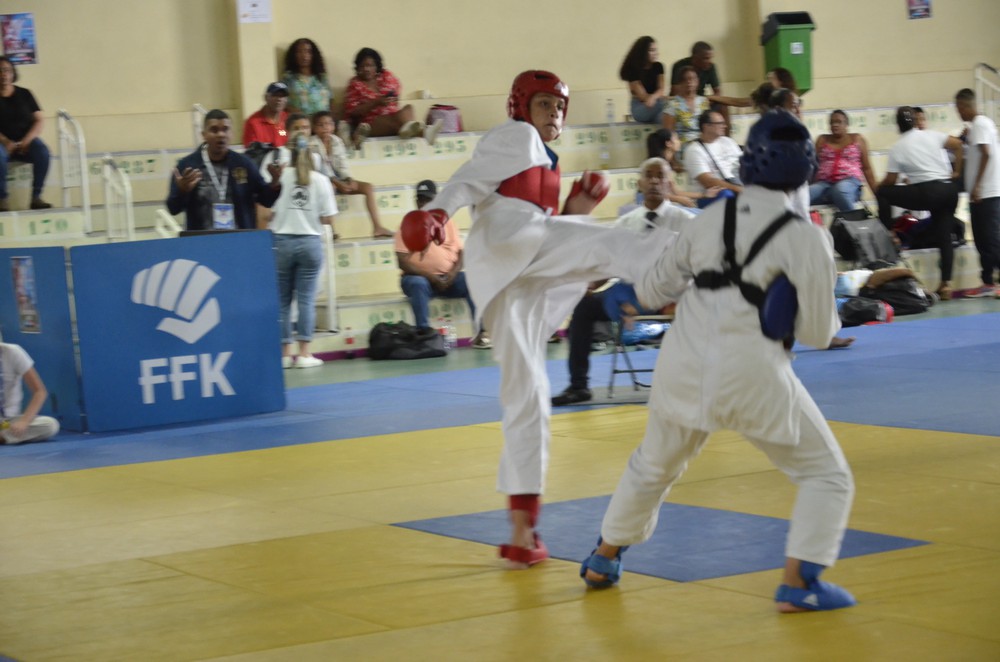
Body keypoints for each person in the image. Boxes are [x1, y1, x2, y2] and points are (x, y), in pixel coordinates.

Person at [580, 109, 857, 615]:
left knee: (653, 465)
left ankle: (603, 558)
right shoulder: (807, 237)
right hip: (754, 372)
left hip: (683, 363)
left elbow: (651, 291)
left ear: (748, 161)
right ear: (806, 170)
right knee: (826, 474)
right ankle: (799, 583)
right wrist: (786, 303)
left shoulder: (706, 220)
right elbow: (819, 335)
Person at [398, 70, 675, 569]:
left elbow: (545, 219)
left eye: (559, 107)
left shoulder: (543, 155)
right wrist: (437, 212)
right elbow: (470, 177)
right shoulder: (516, 135)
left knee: (527, 397)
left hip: (517, 277)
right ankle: (696, 261)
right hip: (515, 248)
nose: (554, 114)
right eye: (545, 104)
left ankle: (522, 531)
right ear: (521, 106)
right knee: (614, 243)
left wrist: (577, 205)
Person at [552, 157, 694, 406]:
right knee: (583, 307)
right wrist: (588, 286)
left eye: (660, 176)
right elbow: (608, 263)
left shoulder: (686, 222)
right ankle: (578, 386)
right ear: (639, 183)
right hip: (630, 297)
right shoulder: (626, 222)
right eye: (649, 176)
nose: (654, 181)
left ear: (670, 183)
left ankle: (693, 381)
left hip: (672, 297)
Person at [875, 106, 963, 299]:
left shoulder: (898, 147)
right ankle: (946, 285)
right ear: (915, 122)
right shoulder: (932, 135)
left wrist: (878, 186)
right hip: (948, 190)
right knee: (944, 236)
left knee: (883, 192)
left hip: (927, 192)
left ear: (898, 126)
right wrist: (957, 171)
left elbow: (890, 181)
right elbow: (958, 145)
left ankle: (890, 233)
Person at [395, 180, 490, 349]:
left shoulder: (448, 222)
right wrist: (431, 277)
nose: (424, 203)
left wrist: (452, 274)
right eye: (421, 199)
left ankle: (481, 332)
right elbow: (402, 262)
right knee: (417, 283)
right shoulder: (408, 224)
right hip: (418, 278)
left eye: (428, 200)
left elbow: (461, 253)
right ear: (416, 202)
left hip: (448, 278)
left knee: (472, 280)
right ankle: (424, 335)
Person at [271, 131, 338, 369]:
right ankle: (304, 353)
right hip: (310, 242)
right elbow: (329, 218)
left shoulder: (280, 177)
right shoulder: (320, 180)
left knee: (282, 301)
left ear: (288, 151)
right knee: (306, 300)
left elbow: (269, 209)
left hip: (282, 242)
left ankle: (284, 354)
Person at [167, 109, 283, 231]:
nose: (221, 134)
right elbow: (173, 209)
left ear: (231, 134)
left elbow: (266, 201)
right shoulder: (188, 166)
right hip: (202, 239)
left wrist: (274, 183)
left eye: (225, 129)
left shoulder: (244, 163)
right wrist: (182, 191)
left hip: (239, 238)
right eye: (214, 130)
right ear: (204, 135)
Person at [310, 110, 393, 238]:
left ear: (333, 126)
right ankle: (330, 230)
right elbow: (322, 169)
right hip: (322, 181)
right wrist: (337, 182)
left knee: (368, 187)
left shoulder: (336, 141)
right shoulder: (312, 144)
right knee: (330, 187)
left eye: (328, 124)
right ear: (314, 128)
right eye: (320, 125)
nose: (325, 127)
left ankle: (378, 227)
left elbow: (342, 163)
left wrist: (349, 179)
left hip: (339, 179)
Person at [342, 47, 442, 149]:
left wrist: (391, 99)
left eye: (370, 65)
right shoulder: (355, 84)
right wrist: (376, 102)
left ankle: (409, 129)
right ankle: (423, 132)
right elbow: (352, 112)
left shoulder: (386, 76)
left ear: (377, 66)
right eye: (362, 66)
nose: (366, 69)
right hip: (371, 123)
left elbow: (396, 92)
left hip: (394, 116)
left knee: (408, 108)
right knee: (397, 120)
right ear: (358, 67)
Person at [955, 88, 1000, 298]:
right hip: (982, 192)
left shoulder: (980, 124)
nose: (958, 113)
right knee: (983, 238)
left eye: (958, 108)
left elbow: (986, 154)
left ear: (965, 106)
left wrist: (978, 185)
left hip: (986, 191)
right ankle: (988, 281)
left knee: (989, 238)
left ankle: (991, 281)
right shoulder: (978, 126)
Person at [0, 56, 51, 211]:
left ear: (13, 73)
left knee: (42, 152)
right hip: (2, 144)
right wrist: (5, 141)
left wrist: (26, 141)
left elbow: (39, 120)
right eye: (0, 71)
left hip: (26, 143)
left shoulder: (25, 94)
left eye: (6, 70)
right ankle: (2, 199)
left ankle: (36, 197)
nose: (3, 74)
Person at [809, 110, 878, 212]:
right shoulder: (822, 140)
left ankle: (852, 219)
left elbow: (867, 169)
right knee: (804, 195)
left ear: (846, 125)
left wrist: (878, 196)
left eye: (839, 122)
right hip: (825, 185)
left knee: (839, 190)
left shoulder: (857, 139)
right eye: (832, 122)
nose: (835, 125)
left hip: (850, 184)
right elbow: (813, 167)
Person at [1, 340, 59, 444]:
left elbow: (40, 391)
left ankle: (4, 436)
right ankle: (6, 437)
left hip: (9, 421)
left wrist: (24, 421)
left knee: (50, 425)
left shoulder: (13, 352)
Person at [683, 110, 742, 206]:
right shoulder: (694, 150)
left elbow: (744, 165)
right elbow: (708, 182)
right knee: (727, 195)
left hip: (737, 185)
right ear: (706, 126)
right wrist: (738, 189)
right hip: (710, 196)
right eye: (720, 123)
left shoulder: (728, 142)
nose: (725, 126)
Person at [646, 129, 718, 208]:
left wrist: (704, 195)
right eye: (677, 139)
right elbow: (656, 193)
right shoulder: (658, 165)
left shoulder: (667, 164)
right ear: (668, 143)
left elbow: (676, 192)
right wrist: (680, 199)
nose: (680, 141)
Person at [619, 36, 667, 126]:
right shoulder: (633, 70)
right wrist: (657, 98)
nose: (656, 53)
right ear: (643, 52)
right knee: (670, 104)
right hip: (640, 107)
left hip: (656, 104)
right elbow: (643, 97)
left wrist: (654, 97)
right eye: (652, 50)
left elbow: (661, 89)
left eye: (656, 50)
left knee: (663, 117)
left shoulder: (658, 66)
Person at [280, 38, 335, 118]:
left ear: (313, 55)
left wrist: (331, 118)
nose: (304, 55)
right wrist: (298, 115)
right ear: (294, 55)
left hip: (322, 122)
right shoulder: (288, 78)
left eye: (308, 51)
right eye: (299, 52)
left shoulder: (322, 77)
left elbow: (331, 99)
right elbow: (282, 102)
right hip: (301, 121)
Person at [664, 66, 711, 147]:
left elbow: (709, 126)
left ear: (697, 81)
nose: (689, 82)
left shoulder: (704, 102)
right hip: (684, 145)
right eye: (685, 79)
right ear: (679, 83)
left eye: (692, 78)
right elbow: (668, 134)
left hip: (705, 143)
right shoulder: (672, 104)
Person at [242, 82, 290, 148]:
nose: (279, 99)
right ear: (266, 98)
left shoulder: (289, 119)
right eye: (275, 95)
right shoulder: (253, 123)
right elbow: (252, 151)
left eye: (283, 96)